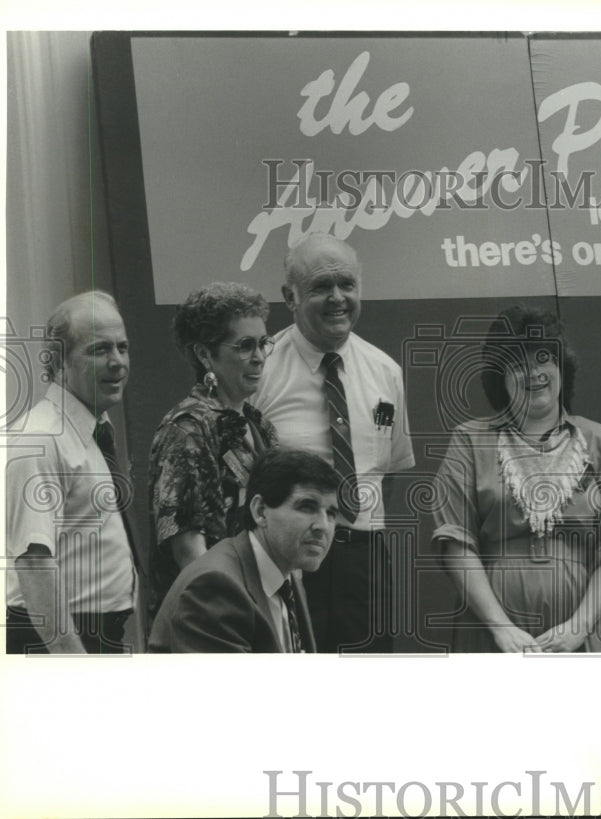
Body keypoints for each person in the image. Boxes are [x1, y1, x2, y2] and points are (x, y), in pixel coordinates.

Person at [432, 305, 601, 652]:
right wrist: (502, 630)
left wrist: (578, 628)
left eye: (543, 358)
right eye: (517, 364)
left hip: (585, 636)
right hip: (492, 636)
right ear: (500, 377)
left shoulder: (600, 441)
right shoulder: (469, 441)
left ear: (561, 365)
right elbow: (455, 542)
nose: (534, 372)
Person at [253, 233, 415, 652]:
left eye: (347, 285)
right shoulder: (260, 369)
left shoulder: (386, 372)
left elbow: (388, 475)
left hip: (363, 561)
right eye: (321, 287)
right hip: (286, 562)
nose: (338, 298)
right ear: (290, 296)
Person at [5, 291, 138, 653]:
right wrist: (72, 663)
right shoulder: (42, 438)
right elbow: (33, 563)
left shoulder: (92, 431)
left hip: (95, 634)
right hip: (59, 642)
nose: (117, 362)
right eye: (99, 350)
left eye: (122, 348)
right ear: (57, 362)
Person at [148, 282, 278, 608]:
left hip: (262, 604)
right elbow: (189, 551)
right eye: (245, 346)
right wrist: (229, 616)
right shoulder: (186, 429)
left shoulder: (258, 423)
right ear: (205, 354)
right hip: (215, 617)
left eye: (263, 343)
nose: (259, 357)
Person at [149, 448, 336, 652]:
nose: (323, 526)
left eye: (331, 513)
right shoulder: (215, 587)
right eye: (307, 507)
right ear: (260, 511)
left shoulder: (286, 572)